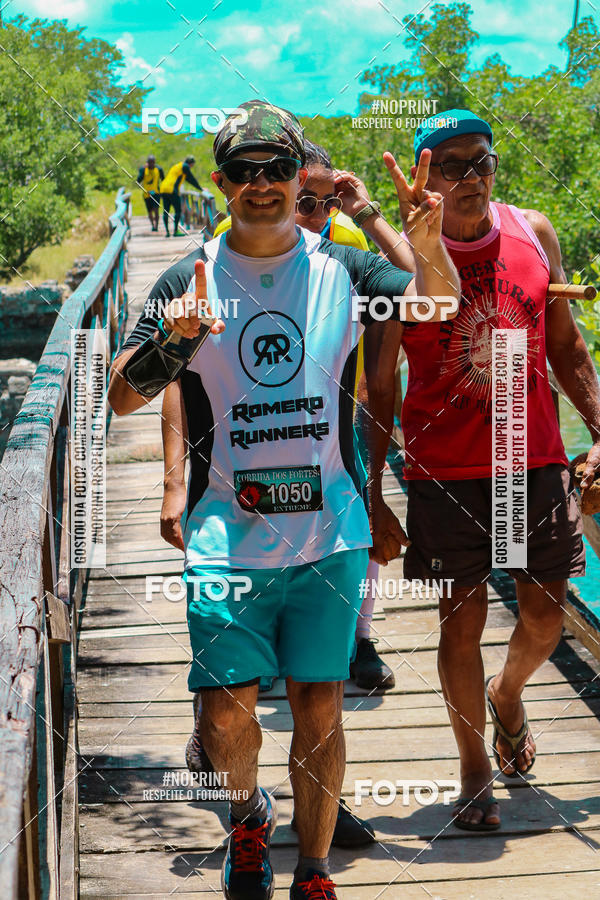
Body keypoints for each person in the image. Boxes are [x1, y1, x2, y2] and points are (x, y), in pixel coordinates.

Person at [108, 100, 459, 900]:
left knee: (319, 707)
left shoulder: (344, 270)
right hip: (225, 536)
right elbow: (122, 395)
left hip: (328, 531)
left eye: (277, 169)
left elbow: (436, 306)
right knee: (225, 715)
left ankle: (314, 869)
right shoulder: (188, 277)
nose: (261, 184)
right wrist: (175, 340)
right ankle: (247, 820)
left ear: (300, 175)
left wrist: (427, 243)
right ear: (222, 181)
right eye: (244, 171)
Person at [378, 108, 600, 831]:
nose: (471, 177)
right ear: (427, 178)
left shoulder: (534, 231)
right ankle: (474, 766)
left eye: (482, 161)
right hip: (445, 468)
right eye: (452, 166)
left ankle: (508, 693)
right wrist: (370, 486)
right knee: (461, 619)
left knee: (544, 613)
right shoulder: (402, 255)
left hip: (529, 458)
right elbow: (379, 380)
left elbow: (566, 346)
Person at [213, 140, 396, 693]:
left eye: (324, 204)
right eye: (304, 202)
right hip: (253, 416)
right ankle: (263, 640)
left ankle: (359, 637)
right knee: (262, 513)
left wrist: (372, 214)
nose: (312, 215)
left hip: (333, 405)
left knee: (351, 517)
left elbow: (409, 315)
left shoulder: (347, 245)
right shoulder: (228, 243)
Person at [160, 155, 203, 237]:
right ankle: (175, 231)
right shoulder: (185, 166)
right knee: (178, 211)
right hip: (171, 189)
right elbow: (191, 179)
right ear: (191, 163)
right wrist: (201, 189)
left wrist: (199, 188)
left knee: (166, 211)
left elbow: (188, 179)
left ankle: (167, 232)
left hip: (163, 188)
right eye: (192, 165)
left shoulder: (178, 166)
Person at [137, 155, 164, 232]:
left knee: (156, 210)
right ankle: (152, 225)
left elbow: (163, 180)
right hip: (147, 194)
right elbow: (138, 180)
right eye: (150, 162)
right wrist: (142, 169)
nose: (151, 164)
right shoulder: (143, 169)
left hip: (156, 193)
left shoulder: (159, 169)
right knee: (149, 212)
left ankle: (156, 226)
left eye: (153, 162)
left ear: (155, 162)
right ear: (147, 162)